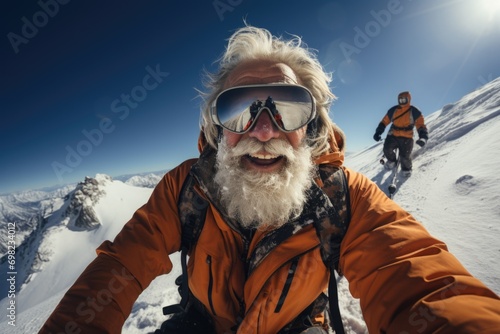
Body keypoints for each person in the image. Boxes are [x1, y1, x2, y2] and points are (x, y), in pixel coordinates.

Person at [40, 25, 500, 334]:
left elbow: (419, 278)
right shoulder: (186, 186)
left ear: (312, 127)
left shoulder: (344, 195)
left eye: (288, 108)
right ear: (217, 131)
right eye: (238, 110)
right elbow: (122, 263)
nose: (263, 131)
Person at [373, 91, 428, 177]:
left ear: (408, 99)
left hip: (407, 137)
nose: (402, 101)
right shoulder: (393, 110)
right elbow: (384, 121)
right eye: (400, 100)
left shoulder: (414, 111)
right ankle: (392, 161)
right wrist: (378, 132)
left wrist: (423, 137)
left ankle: (406, 169)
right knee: (387, 149)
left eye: (404, 100)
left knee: (405, 156)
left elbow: (420, 125)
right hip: (393, 135)